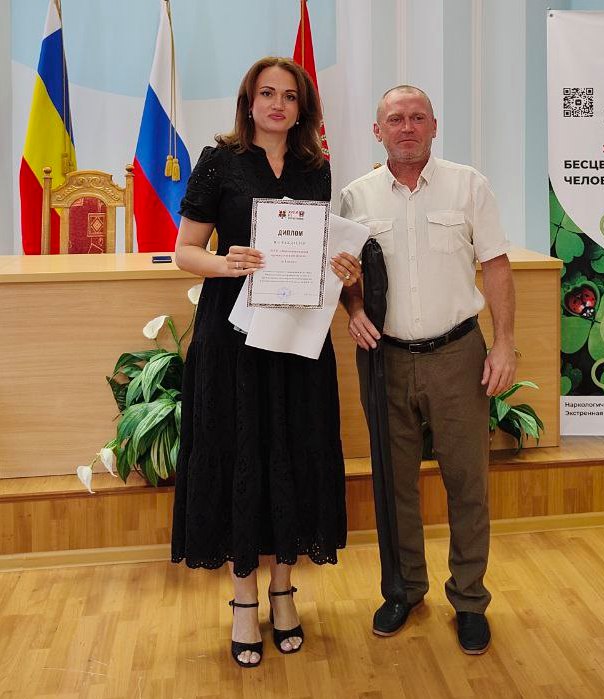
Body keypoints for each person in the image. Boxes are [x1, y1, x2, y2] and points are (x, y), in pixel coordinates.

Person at [171, 56, 362, 669]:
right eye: (267, 93)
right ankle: (245, 598)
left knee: (294, 451)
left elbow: (318, 249)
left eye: (289, 96)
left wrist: (340, 268)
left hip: (298, 336)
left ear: (302, 108)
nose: (278, 104)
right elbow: (183, 251)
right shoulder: (219, 160)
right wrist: (226, 263)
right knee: (240, 454)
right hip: (233, 335)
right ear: (249, 102)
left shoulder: (315, 167)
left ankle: (284, 591)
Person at [340, 85, 516, 655]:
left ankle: (470, 599)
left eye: (418, 118)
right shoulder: (356, 196)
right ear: (378, 131)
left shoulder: (469, 186)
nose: (407, 128)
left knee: (468, 483)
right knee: (394, 485)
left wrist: (505, 344)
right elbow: (345, 274)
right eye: (396, 119)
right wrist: (354, 310)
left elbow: (496, 265)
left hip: (458, 355)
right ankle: (404, 590)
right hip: (385, 359)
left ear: (434, 126)